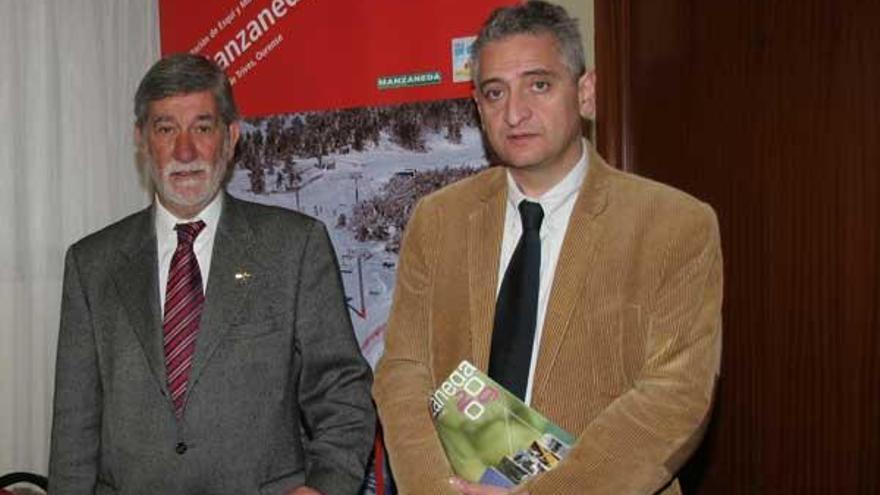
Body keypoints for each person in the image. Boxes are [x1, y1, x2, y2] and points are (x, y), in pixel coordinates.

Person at [372, 1, 722, 494]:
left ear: (584, 92)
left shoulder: (675, 226)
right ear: (478, 107)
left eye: (539, 85)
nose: (515, 113)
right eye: (495, 93)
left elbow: (676, 399)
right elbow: (403, 371)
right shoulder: (438, 220)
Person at [48, 53, 375, 494]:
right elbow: (74, 430)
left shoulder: (294, 248)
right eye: (166, 129)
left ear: (230, 137)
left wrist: (327, 485)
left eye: (202, 128)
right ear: (142, 141)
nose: (185, 151)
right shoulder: (92, 265)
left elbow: (341, 389)